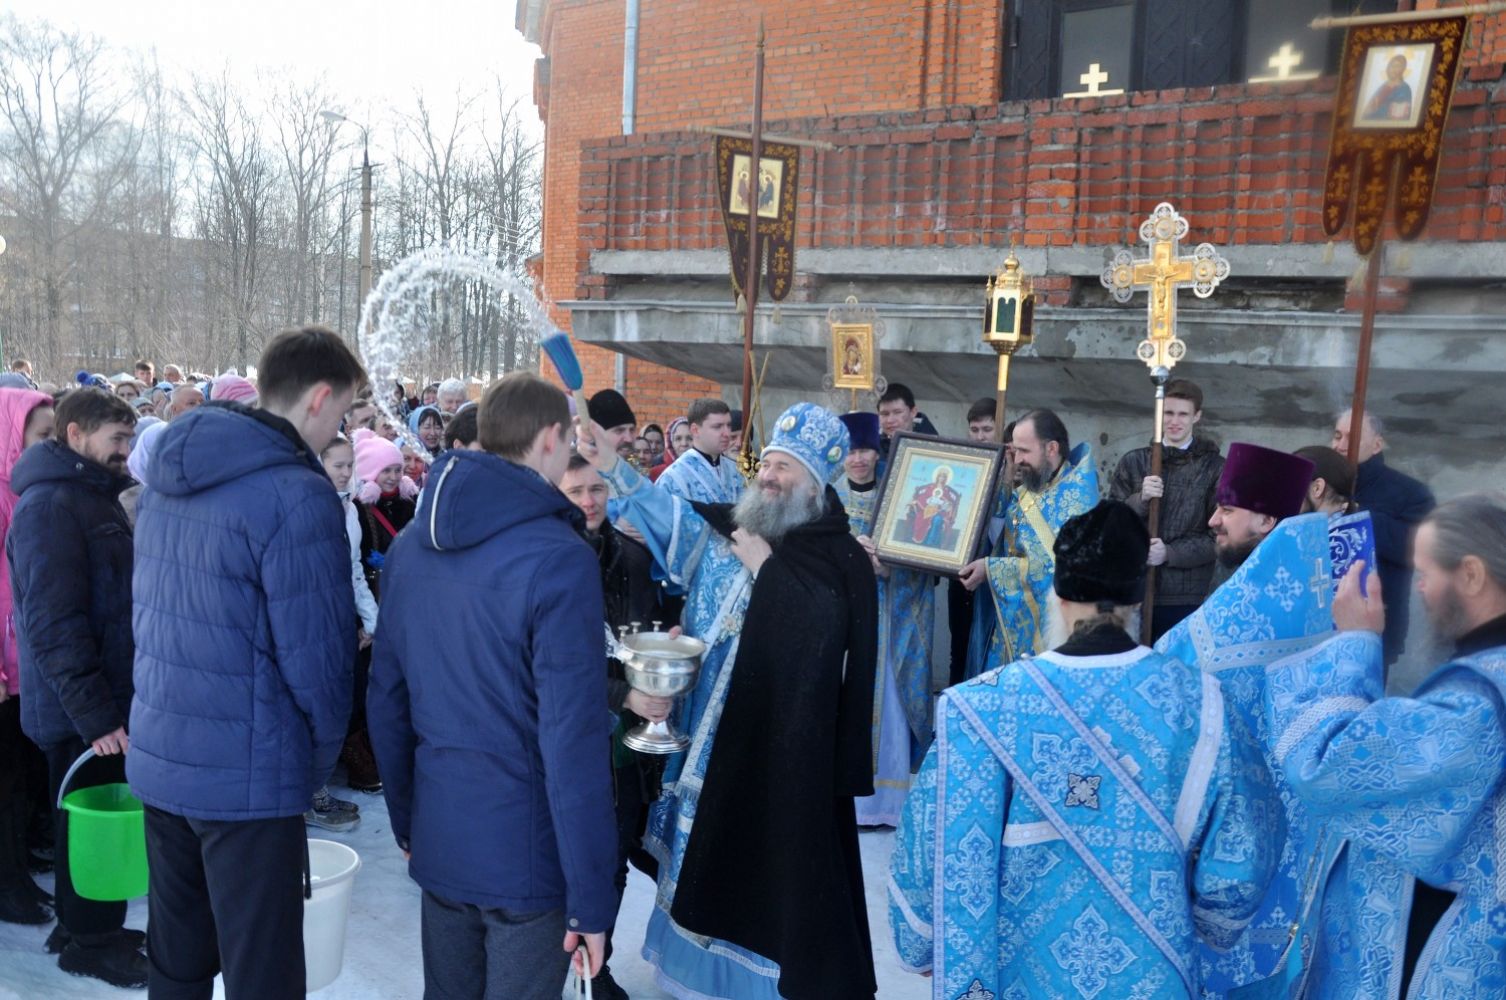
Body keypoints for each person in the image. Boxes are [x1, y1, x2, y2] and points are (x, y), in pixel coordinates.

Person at [891, 501, 1280, 998]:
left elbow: (931, 847)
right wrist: (1208, 922)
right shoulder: (1203, 704)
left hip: (1021, 977)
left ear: (1057, 592)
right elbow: (1242, 856)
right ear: (1137, 597)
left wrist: (923, 940)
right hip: (1151, 975)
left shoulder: (980, 708)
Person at [579, 402, 879, 1000]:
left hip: (771, 748)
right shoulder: (730, 529)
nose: (768, 476)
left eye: (784, 469)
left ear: (814, 484)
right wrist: (610, 462)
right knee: (698, 856)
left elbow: (821, 646)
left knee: (757, 867)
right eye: (766, 463)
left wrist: (770, 573)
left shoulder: (840, 556)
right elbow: (664, 513)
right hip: (703, 737)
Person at [127, 325, 363, 1000]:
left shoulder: (168, 475)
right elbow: (319, 664)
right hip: (248, 778)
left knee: (178, 960)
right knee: (264, 974)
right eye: (344, 411)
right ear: (318, 397)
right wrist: (310, 770)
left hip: (165, 755)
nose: (342, 427)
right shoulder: (298, 493)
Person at [367, 373, 617, 998]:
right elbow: (573, 739)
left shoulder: (413, 548)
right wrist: (591, 899)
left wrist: (410, 824)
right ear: (551, 438)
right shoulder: (560, 557)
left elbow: (388, 704)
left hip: (445, 832)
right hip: (526, 853)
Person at [1262, 493, 1506, 997]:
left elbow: (1323, 765)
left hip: (1446, 951)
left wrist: (1354, 643)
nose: (1418, 588)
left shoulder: (1477, 704)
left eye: (1426, 572)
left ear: (1471, 575)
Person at [1154, 442, 1346, 995]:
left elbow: (1166, 673)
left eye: (1227, 509)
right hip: (1306, 841)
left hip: (1237, 847)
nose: (1213, 521)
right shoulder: (1322, 586)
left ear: (1266, 521)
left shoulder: (1235, 616)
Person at [9, 388, 143, 987]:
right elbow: (52, 623)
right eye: (117, 439)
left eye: (129, 438)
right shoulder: (51, 506)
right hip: (83, 709)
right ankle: (93, 942)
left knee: (82, 821)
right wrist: (97, 716)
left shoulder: (90, 496)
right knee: (94, 822)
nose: (126, 450)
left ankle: (78, 924)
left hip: (100, 699)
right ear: (75, 435)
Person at [559, 452, 668, 1000]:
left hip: (624, 739)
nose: (589, 501)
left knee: (614, 855)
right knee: (564, 861)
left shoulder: (631, 554)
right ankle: (551, 964)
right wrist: (623, 693)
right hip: (565, 736)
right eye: (575, 490)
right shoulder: (546, 559)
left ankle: (593, 970)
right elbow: (550, 664)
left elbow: (649, 627)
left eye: (597, 488)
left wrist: (665, 653)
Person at [839, 412, 933, 827]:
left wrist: (889, 568)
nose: (859, 459)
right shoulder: (827, 499)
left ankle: (887, 805)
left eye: (865, 450)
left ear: (878, 453)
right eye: (851, 451)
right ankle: (848, 802)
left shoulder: (900, 499)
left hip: (891, 620)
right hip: (845, 622)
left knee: (890, 704)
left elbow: (924, 559)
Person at [961, 408, 1100, 677]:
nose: (1017, 460)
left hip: (1053, 631)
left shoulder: (1077, 497)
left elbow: (1056, 569)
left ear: (1051, 448)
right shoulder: (1032, 487)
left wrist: (991, 569)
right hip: (1012, 621)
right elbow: (1002, 539)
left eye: (1024, 451)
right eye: (1015, 451)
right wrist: (1004, 483)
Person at [0, 387, 55, 928]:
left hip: (27, 665)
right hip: (4, 669)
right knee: (6, 782)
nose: (51, 444)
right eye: (41, 436)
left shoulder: (26, 492)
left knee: (23, 779)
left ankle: (18, 872)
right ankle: (8, 886)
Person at [1109, 378, 1224, 641]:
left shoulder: (1214, 468)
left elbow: (1218, 537)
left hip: (1185, 598)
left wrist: (1169, 553)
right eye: (1168, 413)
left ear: (1197, 416)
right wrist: (1141, 499)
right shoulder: (1133, 462)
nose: (1174, 421)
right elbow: (1111, 525)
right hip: (1133, 590)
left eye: (1183, 414)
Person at [1333, 408, 1434, 664]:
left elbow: (1416, 550)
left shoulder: (1411, 493)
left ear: (1376, 445)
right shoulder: (1322, 484)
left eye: (1351, 438)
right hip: (1318, 621)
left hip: (1376, 624)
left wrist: (1356, 514)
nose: (1340, 445)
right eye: (1337, 436)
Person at [321, 434, 377, 821]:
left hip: (342, 615)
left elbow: (354, 569)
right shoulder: (311, 508)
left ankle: (348, 761)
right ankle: (316, 788)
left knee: (351, 693)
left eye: (349, 465)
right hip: (317, 618)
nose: (345, 473)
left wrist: (371, 620)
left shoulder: (350, 509)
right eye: (337, 465)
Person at [355, 433, 418, 602]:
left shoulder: (409, 501)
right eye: (386, 470)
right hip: (376, 591)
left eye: (398, 470)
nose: (394, 477)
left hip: (408, 586)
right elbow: (356, 558)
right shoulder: (360, 508)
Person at [656, 398, 742, 505]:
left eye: (728, 426)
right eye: (717, 427)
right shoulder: (673, 478)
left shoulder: (736, 470)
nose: (727, 433)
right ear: (695, 430)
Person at [588, 388, 639, 462]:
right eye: (619, 431)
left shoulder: (636, 465)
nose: (629, 439)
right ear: (596, 433)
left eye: (632, 430)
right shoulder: (580, 468)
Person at [1361, 52, 1413, 122]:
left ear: (1402, 69)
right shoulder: (1383, 86)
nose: (1393, 69)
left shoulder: (1404, 88)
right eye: (1391, 66)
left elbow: (1400, 115)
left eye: (1397, 66)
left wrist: (1378, 108)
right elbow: (1368, 108)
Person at [649, 416, 690, 482]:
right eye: (678, 439)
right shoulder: (656, 473)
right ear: (670, 442)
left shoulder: (704, 470)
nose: (684, 443)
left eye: (689, 438)